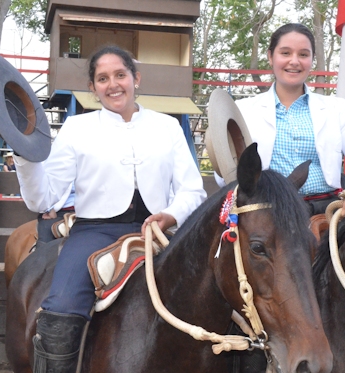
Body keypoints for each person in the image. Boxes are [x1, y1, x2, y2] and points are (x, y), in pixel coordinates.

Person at [12, 45, 206, 373]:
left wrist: (170, 215)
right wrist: (24, 155)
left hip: (157, 231)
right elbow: (44, 199)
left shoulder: (167, 127)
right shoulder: (76, 128)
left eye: (120, 75)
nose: (113, 84)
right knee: (61, 308)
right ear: (92, 88)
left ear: (136, 78)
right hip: (93, 233)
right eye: (103, 78)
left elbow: (193, 190)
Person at [225, 23, 345, 216]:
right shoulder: (244, 110)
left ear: (312, 59)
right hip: (267, 215)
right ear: (271, 56)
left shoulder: (335, 109)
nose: (294, 61)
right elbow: (227, 171)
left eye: (303, 55)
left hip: (325, 213)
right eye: (285, 53)